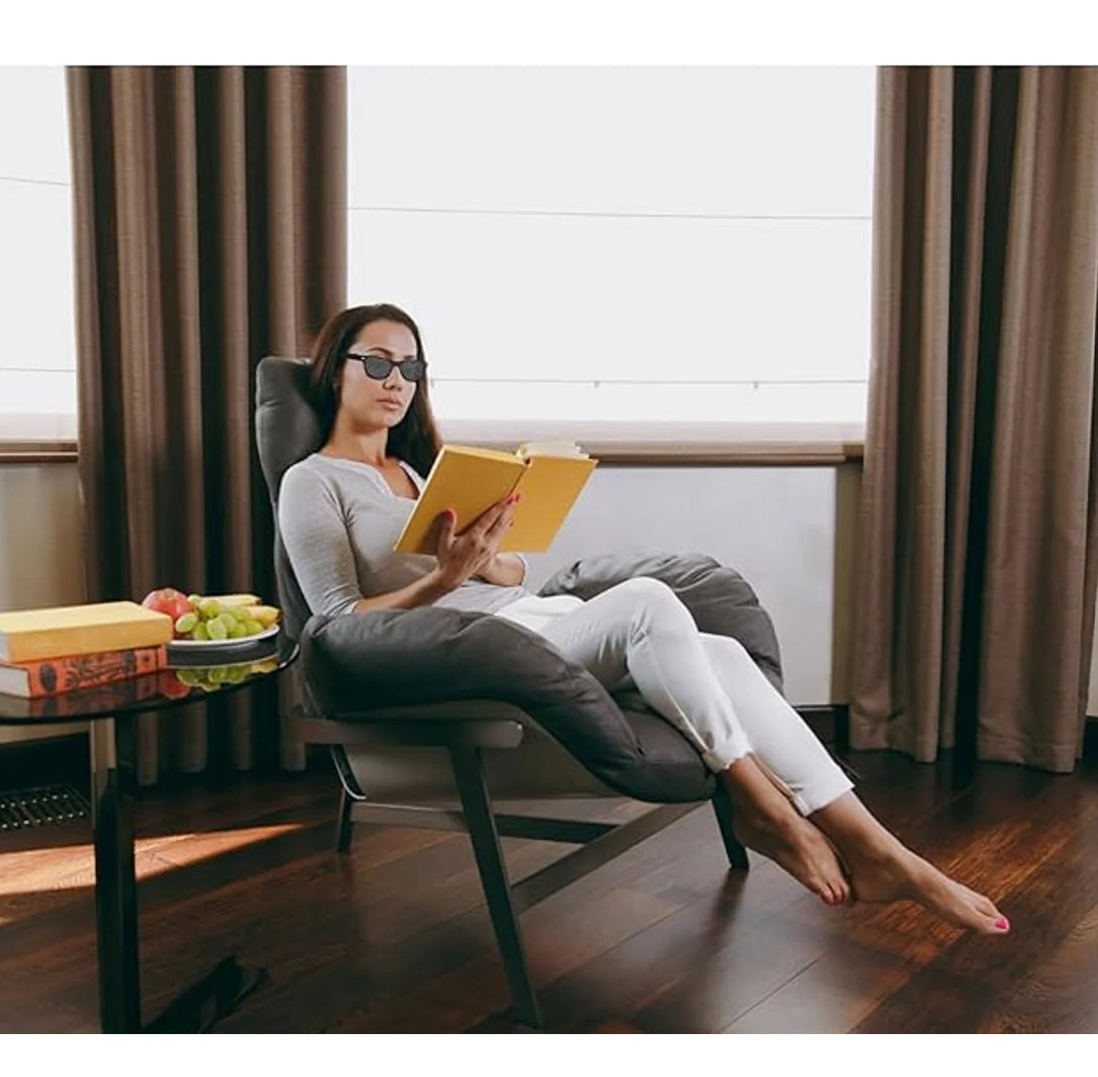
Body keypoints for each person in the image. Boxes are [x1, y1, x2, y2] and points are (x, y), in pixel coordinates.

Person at [278, 302, 1010, 936]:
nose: (396, 380)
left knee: (718, 651)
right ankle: (758, 797)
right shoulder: (311, 481)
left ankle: (879, 848)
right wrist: (444, 578)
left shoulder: (419, 471)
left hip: (528, 620)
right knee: (649, 603)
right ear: (332, 370)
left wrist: (487, 553)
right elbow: (337, 620)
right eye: (376, 362)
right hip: (475, 655)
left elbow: (511, 576)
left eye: (410, 366)